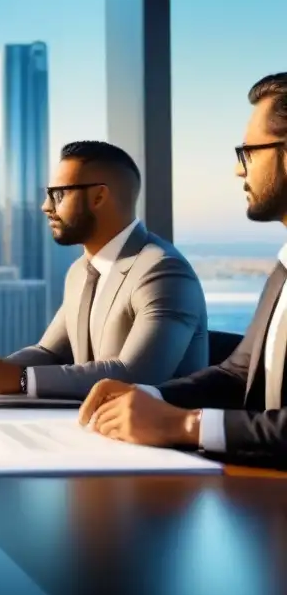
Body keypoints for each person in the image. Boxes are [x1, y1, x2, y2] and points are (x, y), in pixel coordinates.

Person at [80, 73, 287, 460]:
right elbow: (238, 373)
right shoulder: (283, 268)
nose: (239, 170)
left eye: (249, 152)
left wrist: (184, 425)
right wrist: (148, 397)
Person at [0, 140, 208, 400]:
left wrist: (19, 378)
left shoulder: (163, 271)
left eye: (58, 194)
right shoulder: (80, 271)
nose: (45, 206)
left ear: (98, 197)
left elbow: (135, 375)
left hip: (155, 426)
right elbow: (50, 352)